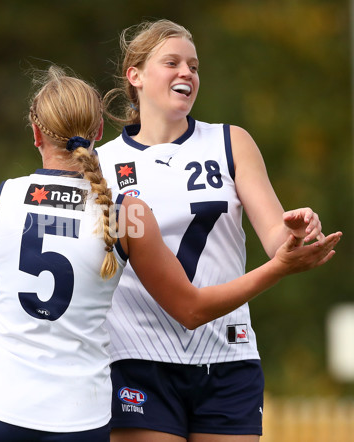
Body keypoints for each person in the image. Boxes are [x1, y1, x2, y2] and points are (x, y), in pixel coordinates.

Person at [0, 66, 341, 442]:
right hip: (77, 419)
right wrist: (277, 268)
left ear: (33, 132)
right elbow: (191, 309)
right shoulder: (126, 215)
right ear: (98, 133)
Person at [96, 19, 330, 442]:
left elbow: (278, 238)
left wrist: (296, 233)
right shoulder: (100, 165)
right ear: (136, 76)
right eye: (172, 63)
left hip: (227, 353)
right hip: (136, 358)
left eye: (194, 66)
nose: (187, 72)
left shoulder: (229, 142)